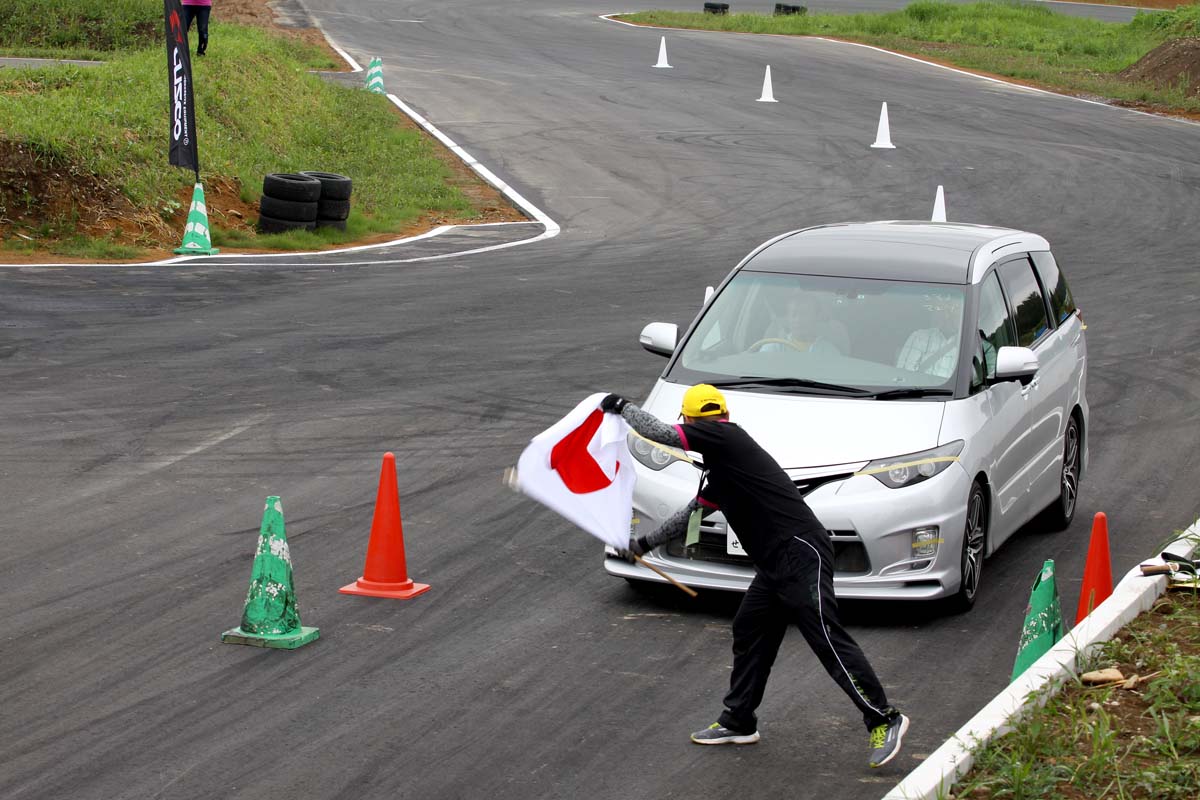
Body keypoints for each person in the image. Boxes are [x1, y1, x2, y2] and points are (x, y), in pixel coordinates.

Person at [599, 384, 909, 768]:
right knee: (750, 629)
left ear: (692, 420)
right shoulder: (726, 462)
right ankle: (739, 720)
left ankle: (884, 717)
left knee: (826, 639)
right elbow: (691, 515)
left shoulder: (723, 436)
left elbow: (661, 434)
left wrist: (621, 406)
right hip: (776, 564)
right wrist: (642, 545)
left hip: (799, 555)